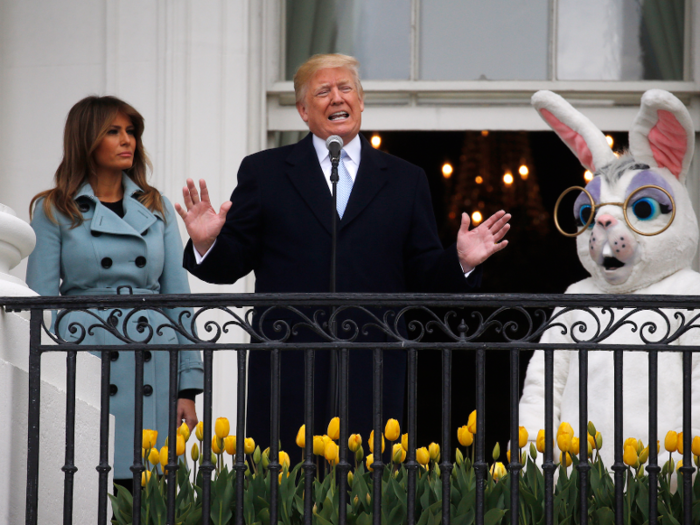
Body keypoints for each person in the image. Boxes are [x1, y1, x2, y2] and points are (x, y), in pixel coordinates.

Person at [176, 54, 510, 455]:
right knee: (286, 497)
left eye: (346, 88)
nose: (337, 98)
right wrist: (207, 242)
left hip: (373, 367)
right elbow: (234, 262)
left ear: (361, 101)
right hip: (288, 366)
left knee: (367, 498)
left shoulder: (406, 179)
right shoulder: (264, 172)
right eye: (323, 91)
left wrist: (461, 262)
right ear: (302, 109)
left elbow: (422, 273)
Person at [26, 96, 204, 490]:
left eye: (131, 132)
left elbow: (178, 296)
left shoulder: (156, 207)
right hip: (87, 354)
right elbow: (39, 301)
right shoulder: (55, 209)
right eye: (113, 131)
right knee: (88, 482)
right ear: (86, 140)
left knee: (147, 489)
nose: (128, 141)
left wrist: (187, 386)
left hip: (152, 359)